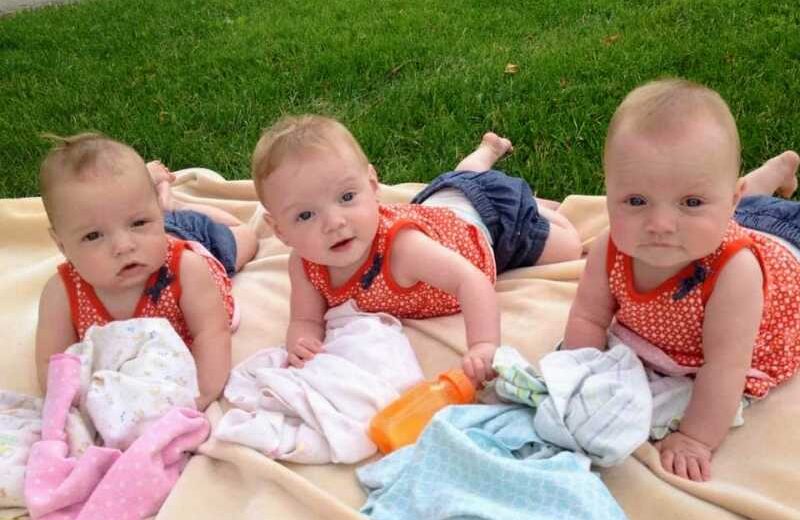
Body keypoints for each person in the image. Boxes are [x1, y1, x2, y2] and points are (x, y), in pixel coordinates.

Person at [563, 78, 800, 482]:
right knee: (725, 206)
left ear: (731, 200)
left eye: (690, 202)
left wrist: (695, 438)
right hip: (742, 220)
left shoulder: (733, 275)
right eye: (636, 201)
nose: (660, 224)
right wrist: (576, 379)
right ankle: (774, 172)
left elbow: (724, 367)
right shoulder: (610, 248)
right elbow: (587, 318)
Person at [252, 115, 583, 384]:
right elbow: (305, 318)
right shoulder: (305, 264)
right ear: (280, 230)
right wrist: (301, 343)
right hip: (441, 206)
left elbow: (471, 282)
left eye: (347, 197)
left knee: (570, 246)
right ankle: (484, 153)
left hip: (490, 222)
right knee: (459, 183)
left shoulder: (403, 248)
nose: (334, 222)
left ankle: (534, 207)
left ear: (372, 186)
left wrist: (483, 345)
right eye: (306, 215)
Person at [34, 133, 254, 409]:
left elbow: (212, 333)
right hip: (156, 231)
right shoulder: (61, 293)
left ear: (155, 218)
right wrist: (71, 406)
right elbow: (52, 362)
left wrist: (201, 395)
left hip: (188, 237)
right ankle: (153, 200)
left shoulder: (187, 269)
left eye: (138, 222)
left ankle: (175, 206)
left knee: (245, 237)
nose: (124, 246)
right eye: (93, 236)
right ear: (62, 245)